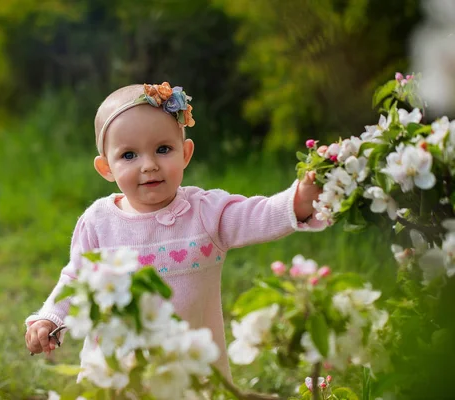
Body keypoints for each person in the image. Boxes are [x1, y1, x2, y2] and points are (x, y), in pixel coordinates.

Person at [24, 82, 324, 379]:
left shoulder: (205, 213)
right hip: (116, 373)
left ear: (185, 153)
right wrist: (50, 318)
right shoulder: (99, 222)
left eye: (163, 149)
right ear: (106, 168)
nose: (150, 165)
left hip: (190, 373)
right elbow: (76, 278)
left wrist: (301, 198)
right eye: (129, 155)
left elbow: (260, 215)